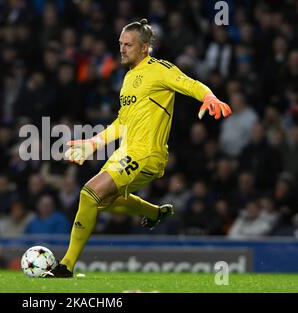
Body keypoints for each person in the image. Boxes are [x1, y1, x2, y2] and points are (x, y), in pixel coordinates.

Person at [44, 19, 232, 278]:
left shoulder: (158, 69)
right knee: (101, 202)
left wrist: (208, 96)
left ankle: (65, 266)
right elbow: (123, 122)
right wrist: (92, 143)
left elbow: (190, 84)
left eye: (128, 45)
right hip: (125, 152)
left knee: (89, 193)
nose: (122, 49)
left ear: (144, 47)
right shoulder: (129, 77)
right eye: (120, 44)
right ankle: (153, 212)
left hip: (146, 154)